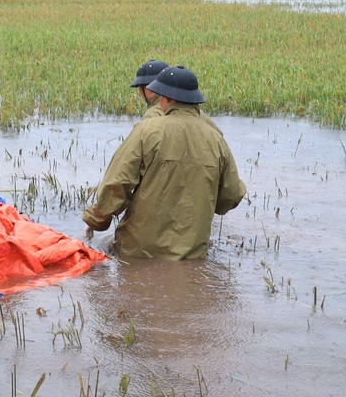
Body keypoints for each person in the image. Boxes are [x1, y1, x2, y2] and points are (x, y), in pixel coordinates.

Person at [83, 66, 246, 259]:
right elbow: (231, 196)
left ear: (167, 99)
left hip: (136, 251)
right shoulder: (216, 139)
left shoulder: (146, 130)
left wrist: (96, 221)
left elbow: (117, 184)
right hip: (191, 254)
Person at [131, 59, 222, 132]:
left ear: (148, 89)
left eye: (140, 88)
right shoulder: (195, 112)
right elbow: (219, 137)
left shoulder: (150, 116)